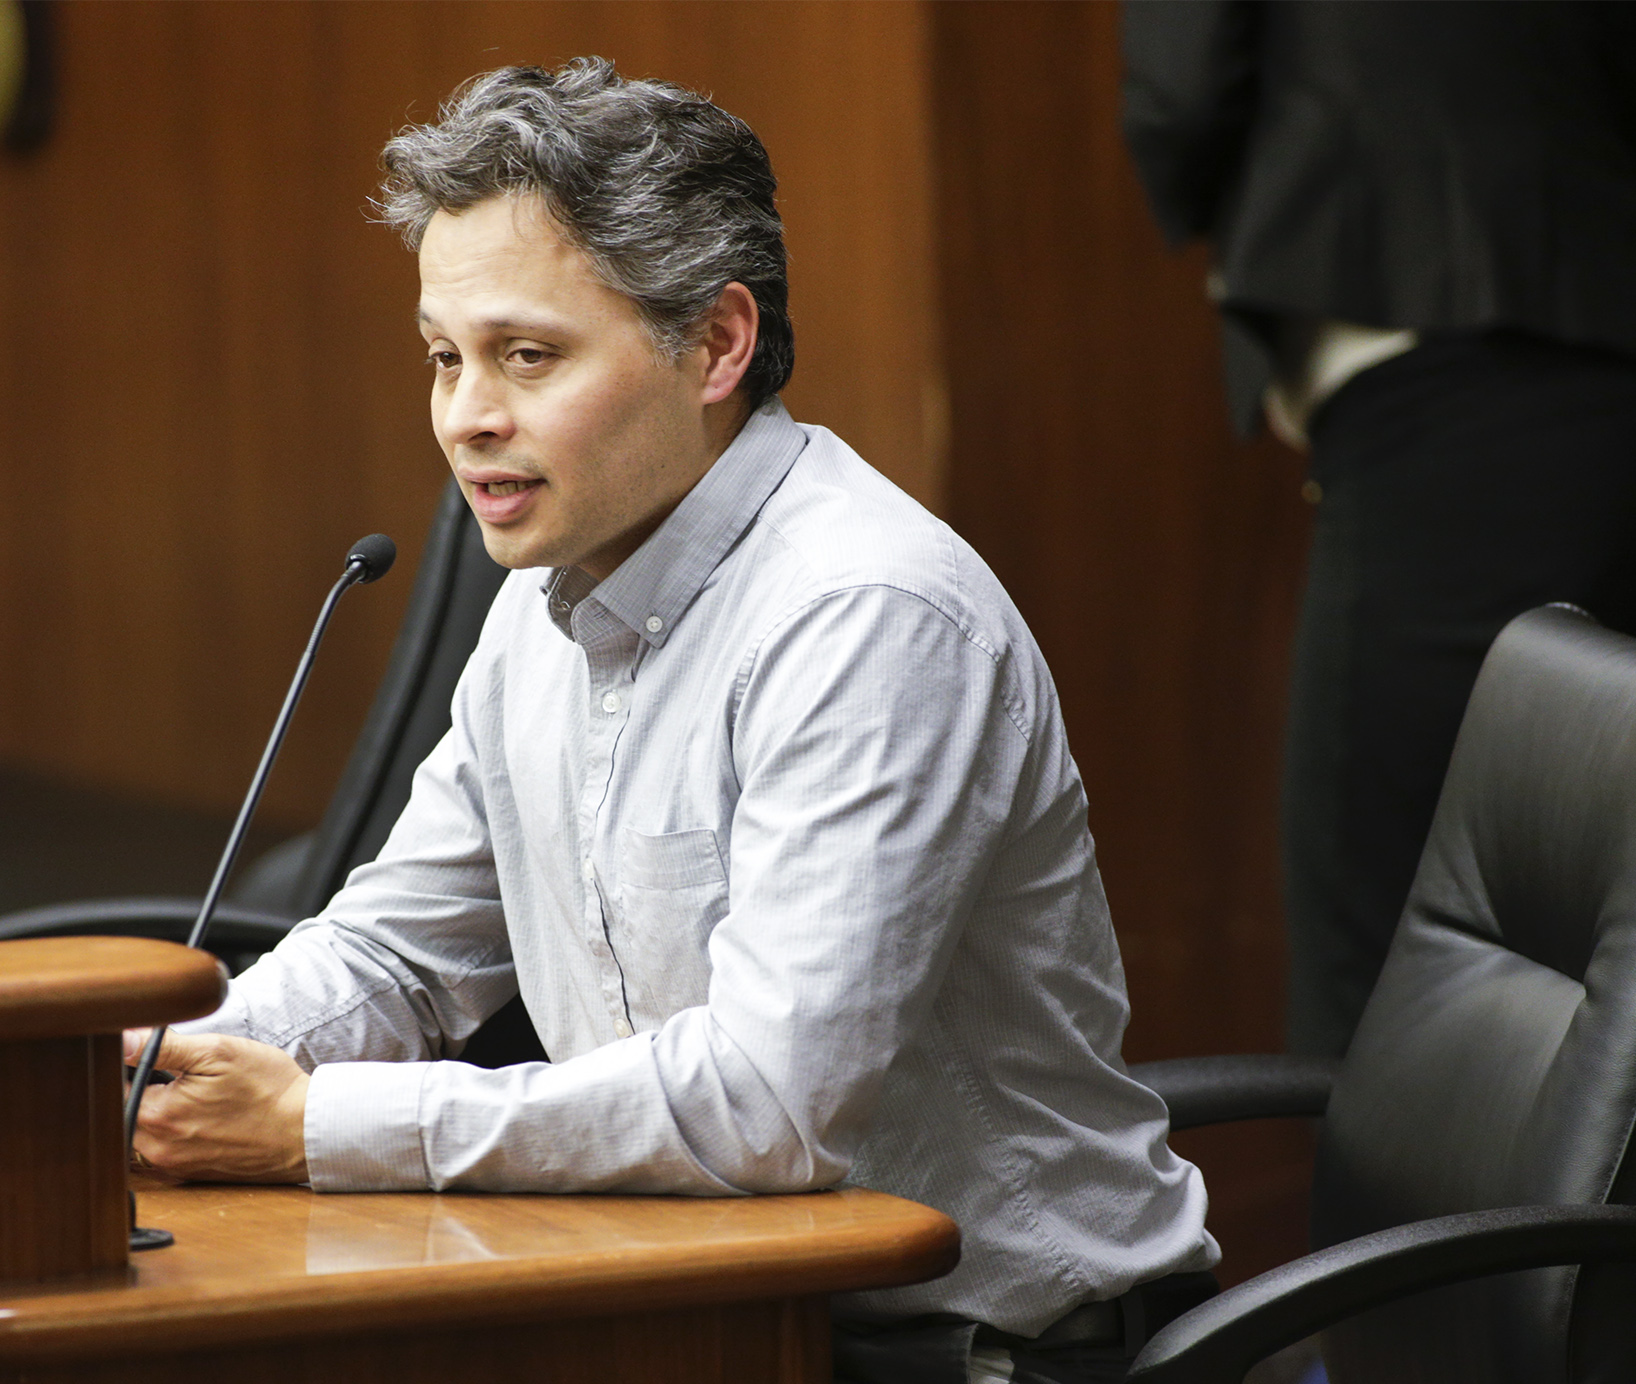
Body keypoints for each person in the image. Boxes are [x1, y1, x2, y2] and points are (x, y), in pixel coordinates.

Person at [130, 58, 1217, 1384]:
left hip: (972, 1354)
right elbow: (399, 955)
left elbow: (768, 1108)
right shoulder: (538, 610)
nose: (468, 417)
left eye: (527, 356)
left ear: (717, 344)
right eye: (444, 358)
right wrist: (186, 1072)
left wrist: (317, 1126)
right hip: (694, 1312)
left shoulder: (866, 615)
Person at [1122, 0, 1636, 1060]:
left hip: (1433, 354)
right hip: (1600, 332)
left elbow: (1180, 92)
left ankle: (1429, 1240)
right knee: (1596, 947)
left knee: (1384, 962)